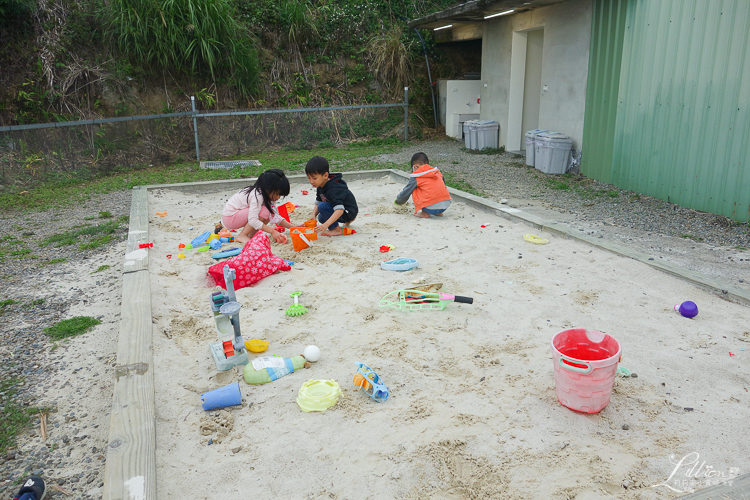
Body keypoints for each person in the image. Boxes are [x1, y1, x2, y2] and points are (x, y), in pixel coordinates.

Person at [222, 169, 295, 244]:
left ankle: (251, 235)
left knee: (269, 211)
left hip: (239, 215)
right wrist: (272, 231)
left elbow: (275, 216)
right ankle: (243, 235)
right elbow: (252, 220)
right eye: (277, 194)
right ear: (269, 188)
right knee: (265, 211)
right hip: (230, 218)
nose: (278, 197)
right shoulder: (257, 195)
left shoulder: (268, 195)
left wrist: (293, 227)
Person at [305, 156, 358, 236]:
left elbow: (339, 210)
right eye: (309, 178)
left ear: (325, 175)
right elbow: (319, 200)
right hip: (343, 210)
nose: (311, 181)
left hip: (348, 211)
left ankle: (336, 230)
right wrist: (313, 215)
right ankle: (347, 221)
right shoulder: (320, 185)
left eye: (314, 178)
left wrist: (325, 225)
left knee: (322, 206)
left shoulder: (333, 189)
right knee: (321, 218)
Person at [394, 152, 452, 218]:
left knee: (416, 188)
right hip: (445, 205)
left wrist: (399, 201)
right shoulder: (437, 172)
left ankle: (424, 213)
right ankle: (439, 213)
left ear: (414, 167)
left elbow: (407, 191)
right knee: (434, 187)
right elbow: (442, 185)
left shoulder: (416, 176)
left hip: (430, 207)